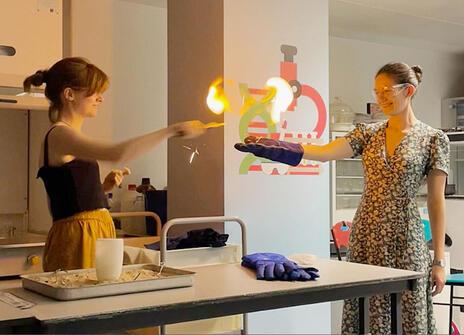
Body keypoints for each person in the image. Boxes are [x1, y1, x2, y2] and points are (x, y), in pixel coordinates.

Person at [235, 62, 449, 334]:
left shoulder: (432, 139)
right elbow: (324, 152)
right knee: (365, 309)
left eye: (386, 91)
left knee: (407, 313)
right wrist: (279, 148)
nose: (380, 98)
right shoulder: (368, 133)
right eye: (376, 92)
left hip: (406, 238)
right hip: (367, 234)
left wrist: (438, 260)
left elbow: (436, 201)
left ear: (408, 90)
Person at [24, 57, 206, 272]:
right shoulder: (60, 134)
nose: (100, 98)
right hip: (79, 237)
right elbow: (117, 153)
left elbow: (67, 197)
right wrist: (172, 131)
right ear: (69, 94)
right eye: (94, 91)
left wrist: (102, 189)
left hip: (91, 232)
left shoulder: (65, 134)